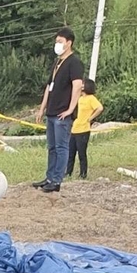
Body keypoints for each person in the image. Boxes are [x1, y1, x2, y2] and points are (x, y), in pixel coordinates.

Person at [33, 26, 84, 193]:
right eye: (56, 42)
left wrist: (71, 109)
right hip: (52, 111)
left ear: (69, 43)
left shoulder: (75, 63)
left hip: (63, 113)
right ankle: (49, 177)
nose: (57, 45)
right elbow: (49, 86)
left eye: (60, 42)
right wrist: (42, 108)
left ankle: (56, 180)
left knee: (62, 147)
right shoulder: (57, 62)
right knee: (52, 147)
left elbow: (77, 86)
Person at [67, 78, 103, 179]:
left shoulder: (91, 98)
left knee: (82, 154)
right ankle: (68, 172)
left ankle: (83, 174)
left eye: (83, 84)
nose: (81, 85)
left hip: (84, 129)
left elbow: (100, 108)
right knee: (71, 153)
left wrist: (90, 118)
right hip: (75, 128)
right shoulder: (80, 98)